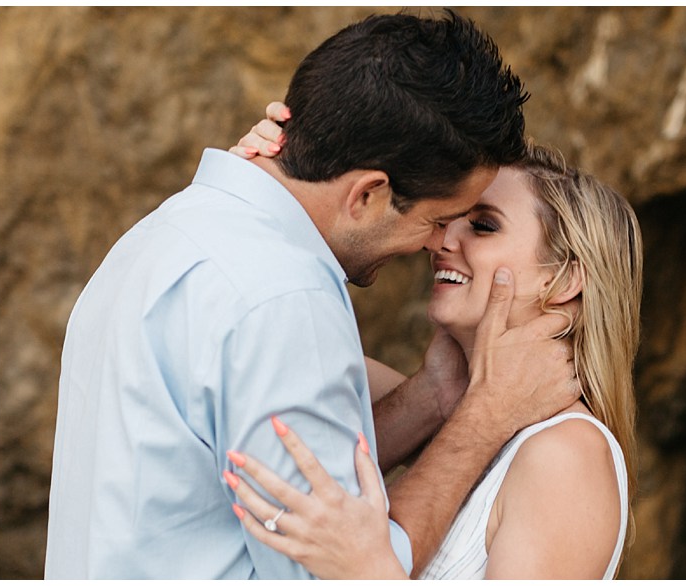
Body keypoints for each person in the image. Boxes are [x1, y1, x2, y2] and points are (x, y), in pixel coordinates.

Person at [46, 11, 580, 579]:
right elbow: (335, 571)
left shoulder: (167, 233)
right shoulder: (283, 299)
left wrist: (434, 397)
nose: (436, 244)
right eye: (437, 220)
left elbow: (267, 473)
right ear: (367, 194)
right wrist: (483, 420)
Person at [222, 115, 643, 579]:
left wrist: (367, 569)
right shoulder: (427, 400)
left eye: (482, 225)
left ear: (563, 279)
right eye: (448, 219)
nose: (441, 240)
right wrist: (273, 184)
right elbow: (240, 348)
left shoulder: (566, 454)